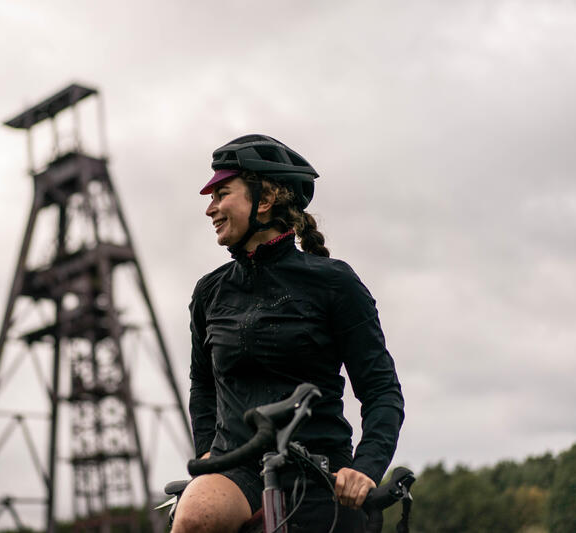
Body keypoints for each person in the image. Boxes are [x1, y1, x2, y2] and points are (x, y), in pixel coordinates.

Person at [171, 135, 405, 533]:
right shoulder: (209, 293)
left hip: (320, 470)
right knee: (196, 516)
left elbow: (381, 389)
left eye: (222, 193)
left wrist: (365, 468)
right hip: (237, 470)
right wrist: (208, 452)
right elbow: (203, 386)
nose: (210, 208)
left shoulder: (335, 283)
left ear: (264, 200)